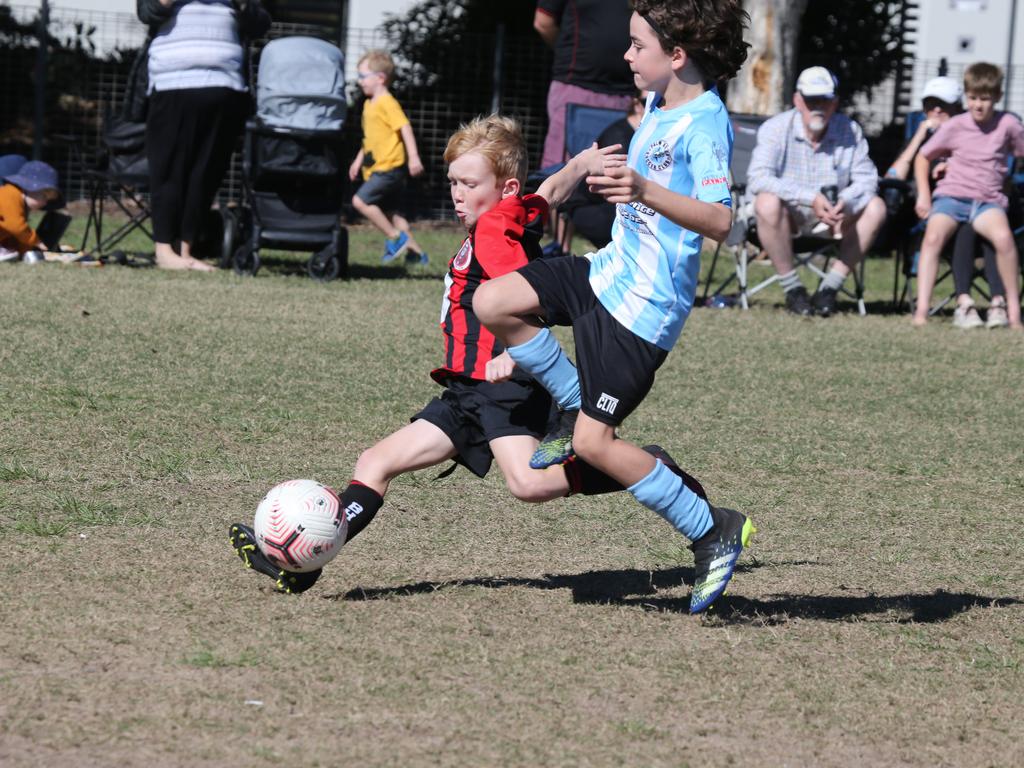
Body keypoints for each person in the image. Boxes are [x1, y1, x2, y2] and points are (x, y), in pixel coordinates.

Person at [230, 115, 706, 596]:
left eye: (469, 183)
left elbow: (525, 296)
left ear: (505, 187)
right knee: (374, 462)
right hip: (464, 390)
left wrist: (513, 356)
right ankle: (304, 566)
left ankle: (647, 467)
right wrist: (581, 162)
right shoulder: (511, 213)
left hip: (506, 391)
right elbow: (549, 194)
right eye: (453, 181)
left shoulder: (496, 231)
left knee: (529, 485)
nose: (457, 194)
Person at [473, 1, 755, 615]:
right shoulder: (658, 103)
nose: (625, 56)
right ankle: (571, 402)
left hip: (642, 311)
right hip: (604, 273)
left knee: (597, 446)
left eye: (637, 45)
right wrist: (606, 169)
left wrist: (645, 189)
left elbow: (722, 221)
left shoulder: (704, 124)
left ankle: (712, 530)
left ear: (676, 56)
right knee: (493, 300)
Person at [138, 0, 270, 272]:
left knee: (205, 173)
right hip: (172, 85)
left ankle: (186, 250)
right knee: (169, 170)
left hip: (224, 87)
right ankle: (164, 250)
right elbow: (147, 12)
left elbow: (260, 24)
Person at [746, 66, 887, 317]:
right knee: (766, 201)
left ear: (835, 102)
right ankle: (793, 290)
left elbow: (867, 179)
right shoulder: (776, 128)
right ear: (798, 100)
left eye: (824, 99)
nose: (818, 106)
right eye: (811, 100)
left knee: (876, 206)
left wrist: (847, 201)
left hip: (836, 221)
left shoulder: (850, 130)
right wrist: (810, 198)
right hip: (787, 220)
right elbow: (758, 178)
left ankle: (830, 288)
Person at [886, 77, 1009, 329]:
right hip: (928, 213)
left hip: (972, 207)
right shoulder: (920, 137)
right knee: (959, 224)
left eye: (943, 105)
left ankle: (988, 304)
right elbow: (893, 176)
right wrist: (920, 138)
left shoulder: (971, 133)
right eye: (930, 104)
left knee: (974, 226)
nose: (937, 111)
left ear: (957, 108)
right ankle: (964, 304)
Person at [911, 62, 1024, 330]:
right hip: (951, 197)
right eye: (973, 98)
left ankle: (1013, 312)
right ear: (966, 97)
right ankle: (921, 311)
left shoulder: (1007, 124)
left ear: (997, 96)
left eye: (985, 99)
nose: (978, 106)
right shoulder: (956, 125)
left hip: (987, 201)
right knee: (933, 237)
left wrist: (1007, 180)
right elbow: (923, 157)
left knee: (1005, 239)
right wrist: (924, 197)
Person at [348, 49, 428, 266]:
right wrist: (358, 161)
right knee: (394, 215)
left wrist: (413, 157)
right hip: (378, 168)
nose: (359, 82)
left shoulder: (386, 102)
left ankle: (395, 239)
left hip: (390, 168)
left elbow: (405, 128)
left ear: (380, 78)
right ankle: (418, 256)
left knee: (360, 201)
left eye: (363, 77)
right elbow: (369, 139)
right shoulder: (368, 104)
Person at [534, 0, 636, 170]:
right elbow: (543, 22)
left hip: (626, 94)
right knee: (560, 171)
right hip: (575, 88)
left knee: (618, 169)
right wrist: (564, 52)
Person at [560, 92, 646, 249]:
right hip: (590, 207)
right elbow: (616, 187)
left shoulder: (643, 135)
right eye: (646, 101)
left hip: (611, 203)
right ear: (637, 105)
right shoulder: (619, 138)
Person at [0, 160, 61, 262]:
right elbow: (17, 227)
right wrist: (37, 242)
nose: (45, 203)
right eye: (44, 196)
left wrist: (26, 250)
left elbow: (16, 233)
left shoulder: (17, 198)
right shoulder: (10, 194)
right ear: (30, 188)